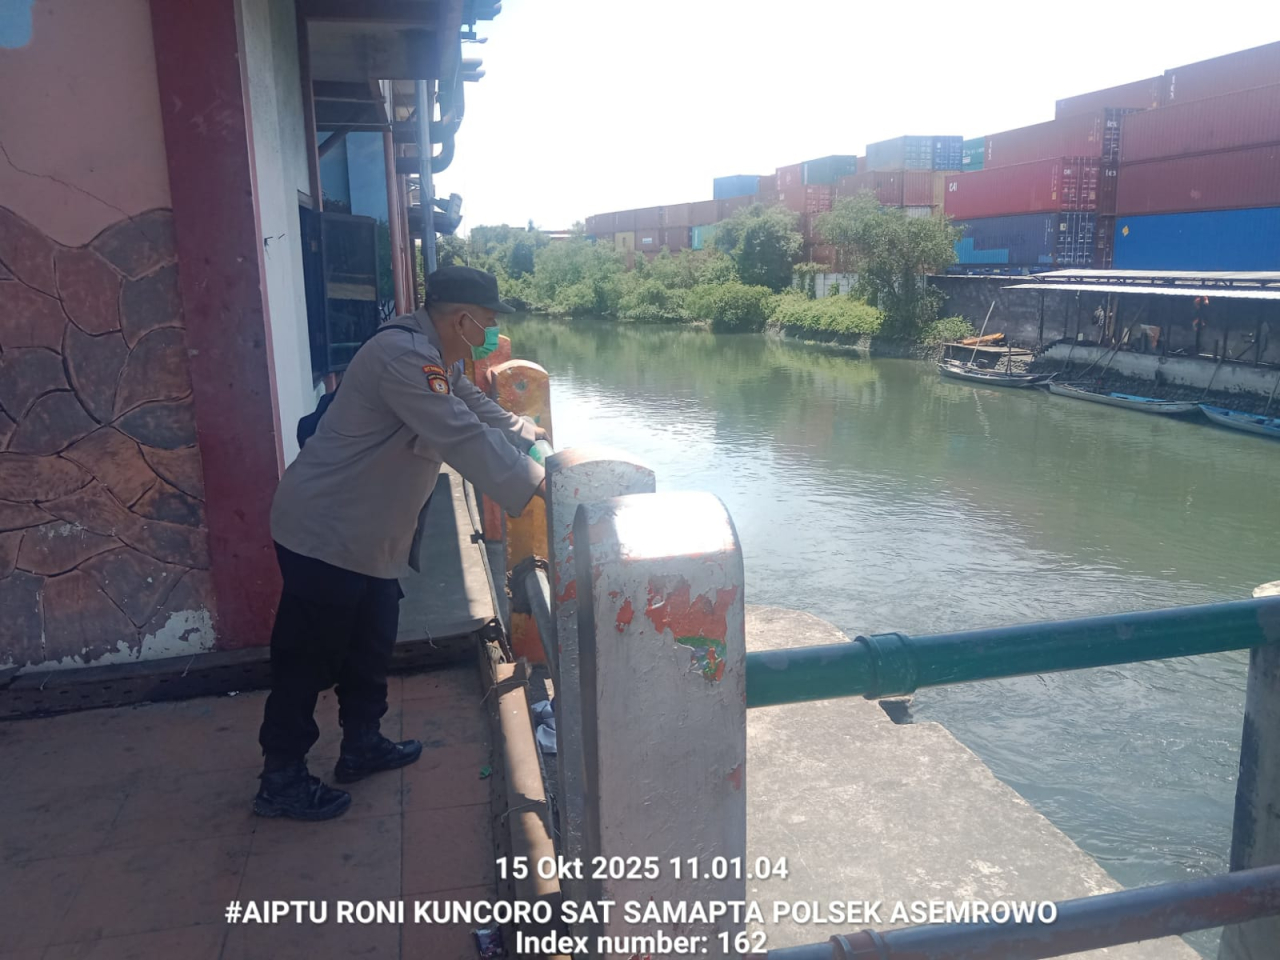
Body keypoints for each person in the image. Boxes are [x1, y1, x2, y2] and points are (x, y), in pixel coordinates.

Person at [255, 266, 547, 821]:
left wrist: (529, 437)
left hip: (369, 536)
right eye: (487, 321)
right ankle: (281, 777)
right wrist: (540, 486)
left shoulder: (439, 358)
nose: (490, 333)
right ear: (461, 318)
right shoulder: (405, 359)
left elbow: (476, 408)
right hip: (327, 532)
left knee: (370, 642)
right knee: (307, 659)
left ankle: (362, 744)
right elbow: (460, 434)